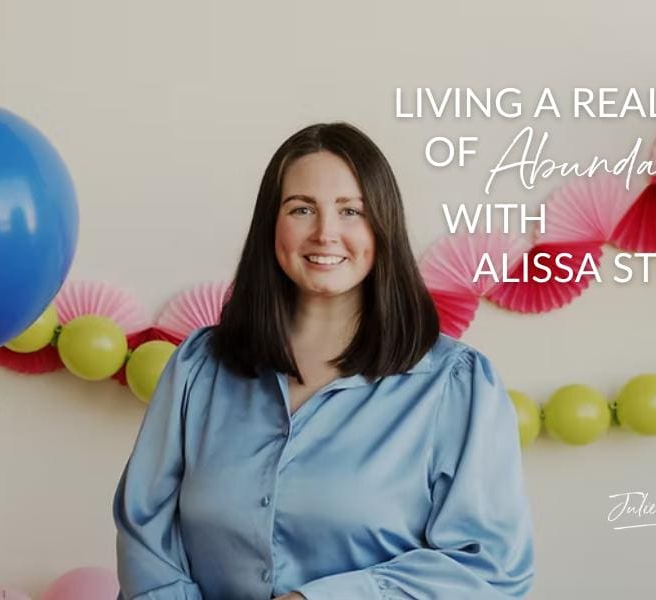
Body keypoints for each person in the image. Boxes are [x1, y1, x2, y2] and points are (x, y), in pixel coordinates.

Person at [113, 123, 535, 599]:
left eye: (351, 211)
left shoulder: (456, 385)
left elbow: (488, 569)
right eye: (301, 209)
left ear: (383, 226)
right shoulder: (197, 368)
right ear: (271, 224)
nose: (325, 233)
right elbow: (146, 538)